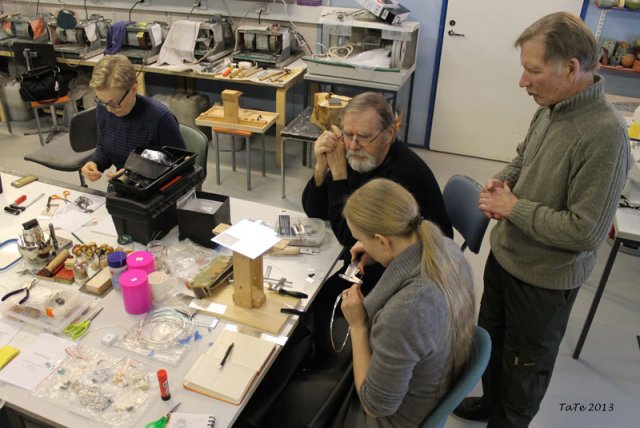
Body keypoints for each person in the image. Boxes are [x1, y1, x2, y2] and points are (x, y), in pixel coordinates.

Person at [454, 12, 631, 427]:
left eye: (533, 71)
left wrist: (512, 208)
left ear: (570, 69)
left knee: (524, 370)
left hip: (543, 283)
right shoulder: (551, 107)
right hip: (507, 257)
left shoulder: (605, 135)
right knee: (492, 345)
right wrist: (503, 181)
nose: (523, 81)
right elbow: (525, 157)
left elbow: (586, 231)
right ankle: (490, 402)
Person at [336, 178, 475, 426]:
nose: (359, 245)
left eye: (362, 239)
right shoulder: (446, 248)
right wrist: (377, 254)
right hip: (429, 382)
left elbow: (374, 405)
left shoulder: (407, 311)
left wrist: (358, 326)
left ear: (383, 241)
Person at [81, 54, 185, 182]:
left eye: (114, 103)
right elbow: (104, 147)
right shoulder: (104, 107)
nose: (109, 109)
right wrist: (95, 163)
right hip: (121, 185)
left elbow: (181, 166)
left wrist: (136, 174)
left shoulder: (160, 118)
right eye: (102, 101)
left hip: (154, 189)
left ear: (133, 90)